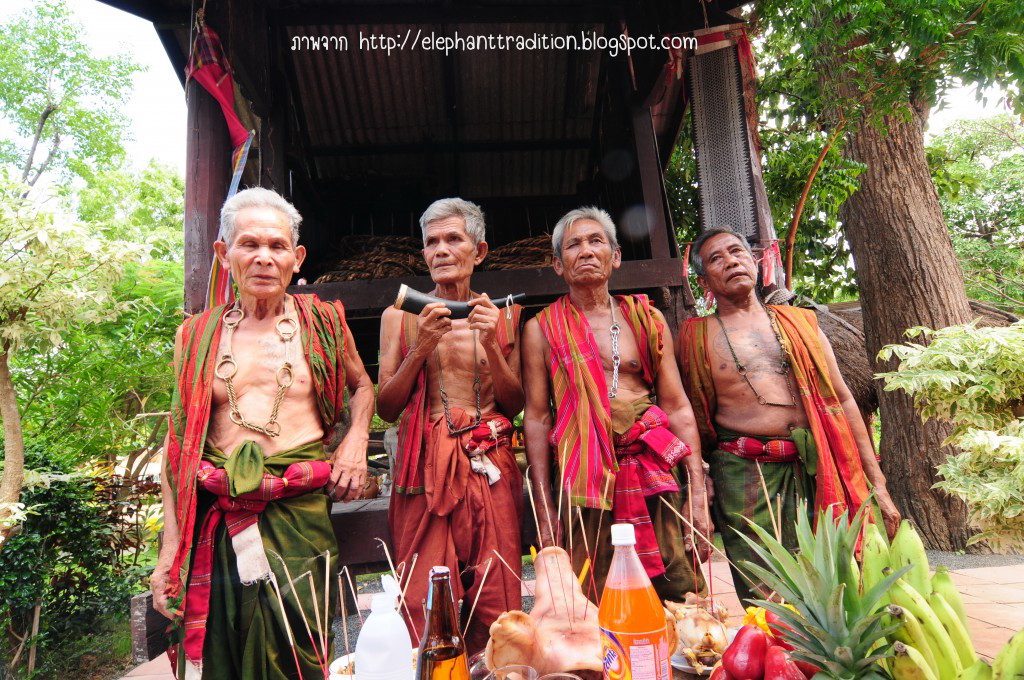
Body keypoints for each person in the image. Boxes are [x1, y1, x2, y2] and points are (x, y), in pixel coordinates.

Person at [149, 187, 375, 680]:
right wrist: (169, 550)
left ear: (297, 258)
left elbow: (362, 387)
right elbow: (180, 446)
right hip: (218, 509)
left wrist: (355, 441)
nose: (264, 258)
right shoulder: (195, 335)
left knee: (301, 648)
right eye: (249, 244)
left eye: (277, 246)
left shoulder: (324, 322)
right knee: (222, 648)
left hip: (296, 511)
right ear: (224, 253)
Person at [677, 228, 901, 603]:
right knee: (765, 590)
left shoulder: (801, 323)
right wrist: (697, 488)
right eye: (717, 258)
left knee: (839, 582)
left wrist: (875, 480)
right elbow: (690, 415)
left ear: (755, 262)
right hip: (745, 474)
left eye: (737, 252)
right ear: (704, 282)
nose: (731, 260)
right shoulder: (696, 337)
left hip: (817, 465)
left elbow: (842, 400)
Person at [521, 207, 711, 602]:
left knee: (678, 591)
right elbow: (537, 419)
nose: (586, 251)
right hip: (583, 480)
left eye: (596, 241)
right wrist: (544, 508)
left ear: (616, 256)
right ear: (558, 264)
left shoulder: (646, 318)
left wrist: (695, 490)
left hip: (652, 470)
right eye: (573, 245)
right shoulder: (541, 328)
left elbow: (677, 407)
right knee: (592, 595)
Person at [377, 198, 524, 655]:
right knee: (426, 594)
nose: (440, 250)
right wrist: (420, 348)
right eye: (431, 242)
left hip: (489, 459)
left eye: (453, 239)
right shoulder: (399, 317)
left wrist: (491, 345)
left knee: (496, 589)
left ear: (478, 251)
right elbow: (386, 407)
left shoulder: (506, 316)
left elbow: (516, 403)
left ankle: (495, 663)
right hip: (425, 467)